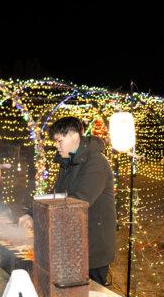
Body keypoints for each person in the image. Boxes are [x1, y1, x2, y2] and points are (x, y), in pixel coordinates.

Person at [19, 117, 116, 285]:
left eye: (59, 141)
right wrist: (32, 214)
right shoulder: (68, 162)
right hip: (73, 243)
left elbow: (78, 203)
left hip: (92, 247)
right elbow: (56, 195)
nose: (56, 145)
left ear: (74, 136)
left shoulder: (96, 162)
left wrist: (42, 223)